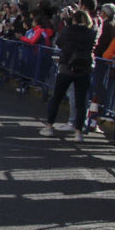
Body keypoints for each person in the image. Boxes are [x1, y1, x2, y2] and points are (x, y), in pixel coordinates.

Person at [41, 10, 96, 141]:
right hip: (83, 69)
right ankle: (78, 132)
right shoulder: (90, 33)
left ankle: (49, 126)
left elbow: (59, 43)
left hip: (66, 67)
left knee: (57, 98)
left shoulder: (67, 30)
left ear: (74, 19)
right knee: (81, 102)